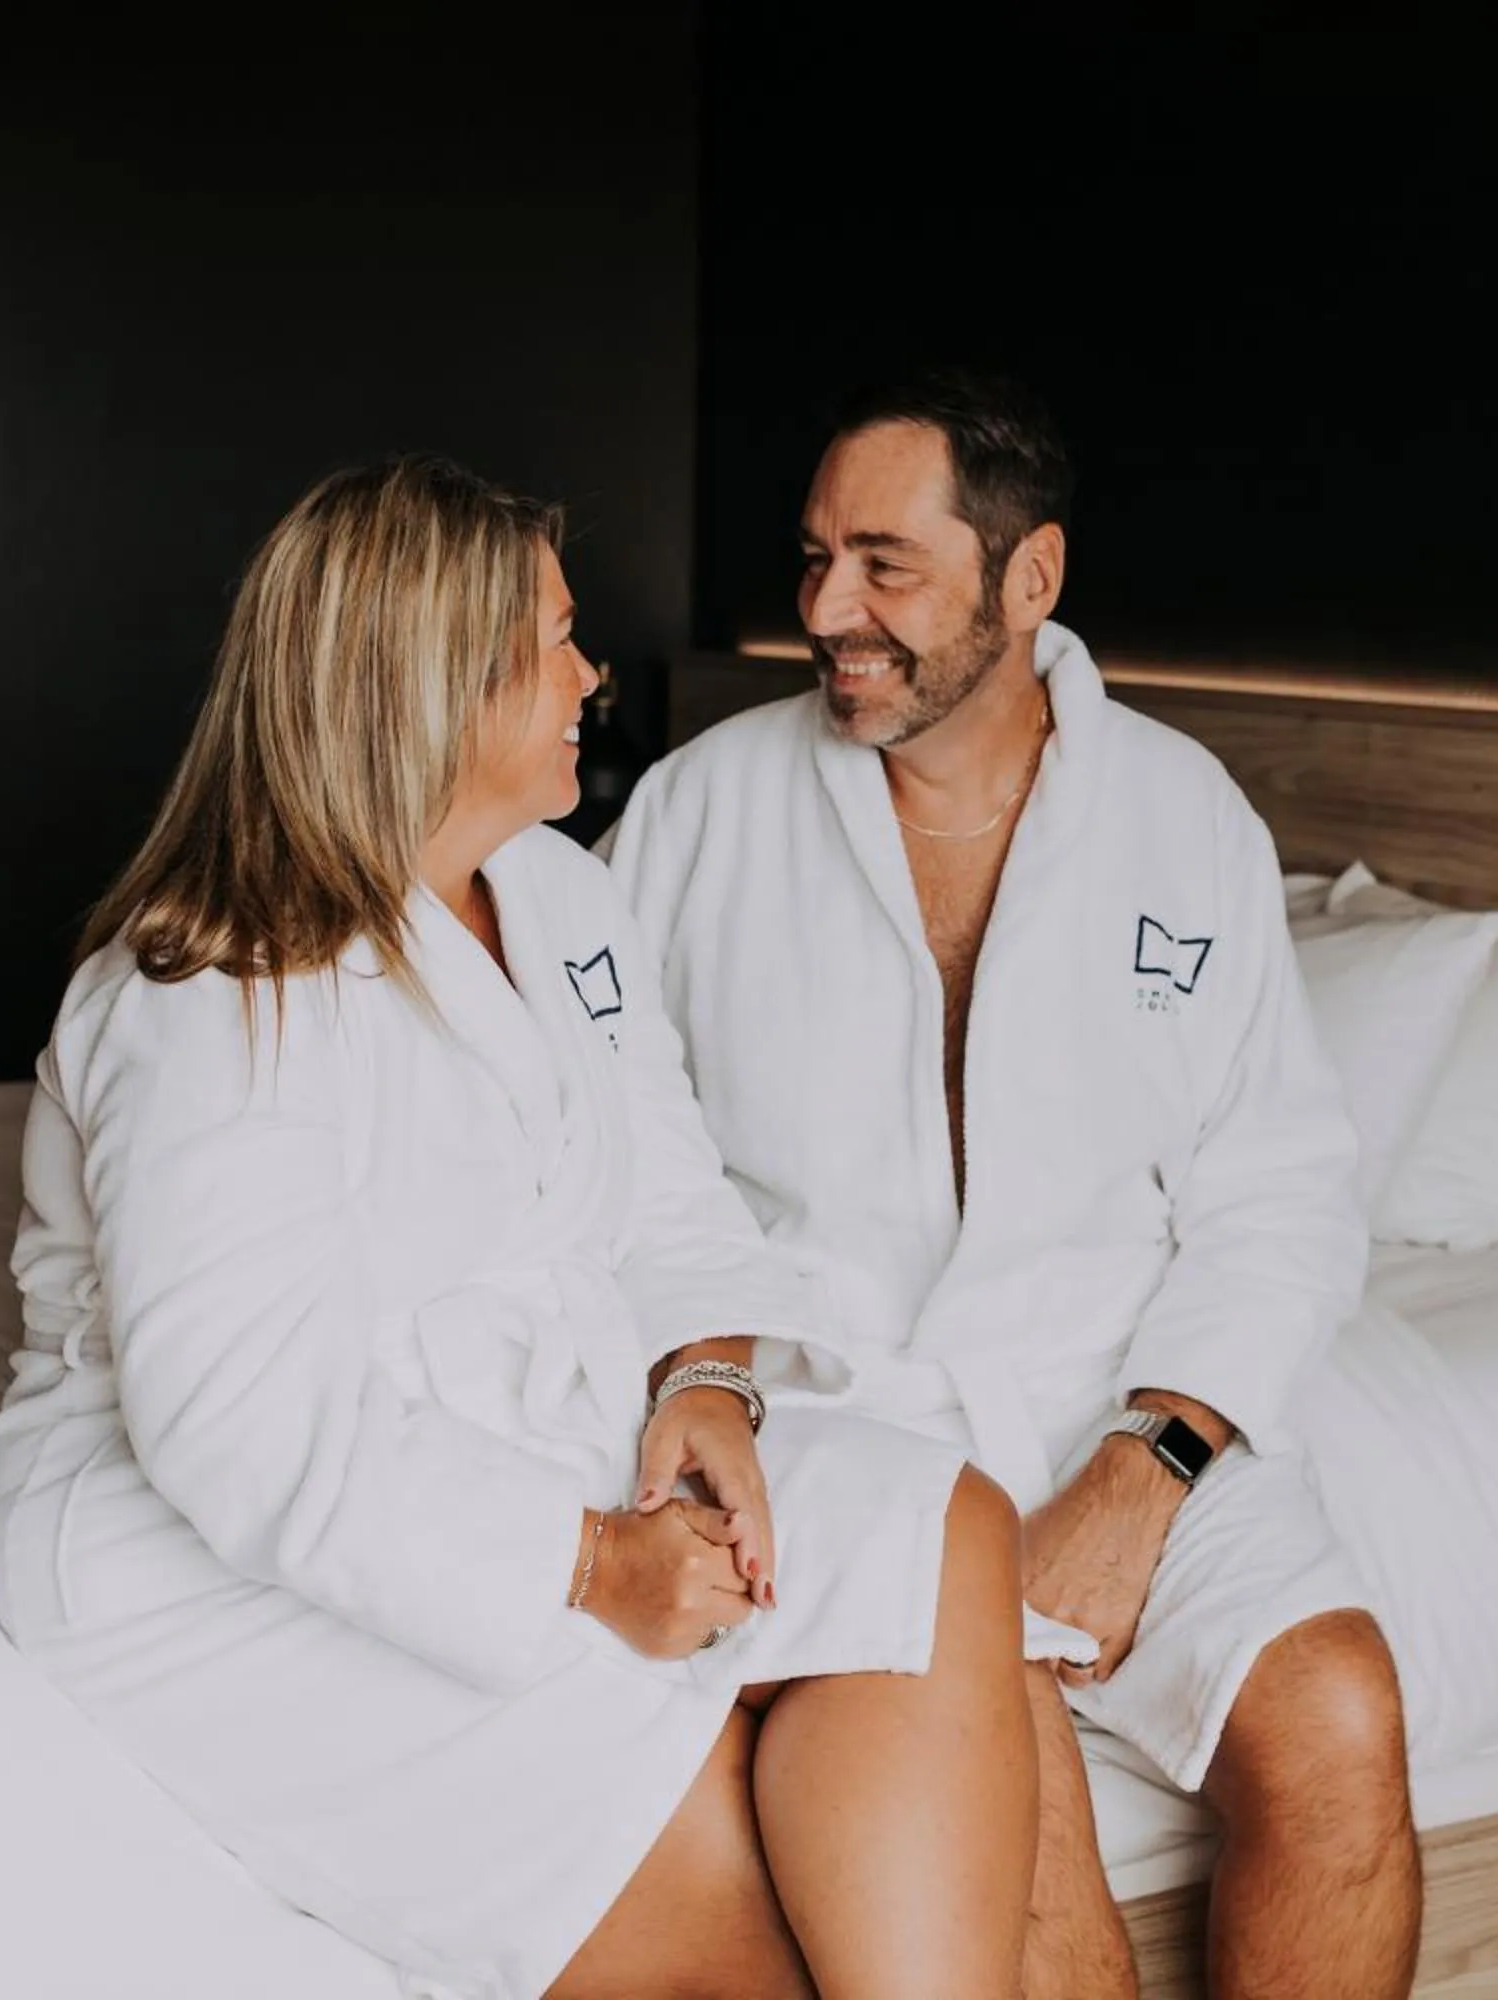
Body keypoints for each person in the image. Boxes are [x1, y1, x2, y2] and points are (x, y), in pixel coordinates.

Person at [0, 456, 1036, 2000]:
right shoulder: (212, 990)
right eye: (554, 641)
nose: (591, 675)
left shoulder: (559, 899)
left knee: (952, 1526)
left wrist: (707, 1381)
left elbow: (669, 1186)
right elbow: (245, 1429)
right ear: (431, 687)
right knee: (732, 1918)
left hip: (551, 1426)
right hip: (221, 1547)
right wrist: (596, 1562)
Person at [607, 374, 1420, 1998]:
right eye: (817, 558)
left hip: (1116, 1402)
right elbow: (615, 1146)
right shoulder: (702, 812)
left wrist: (1148, 1467)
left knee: (1342, 1718)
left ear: (1028, 579)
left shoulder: (1184, 818)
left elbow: (1281, 1189)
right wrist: (699, 1367)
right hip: (846, 1414)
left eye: (885, 567)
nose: (828, 610)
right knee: (1034, 1845)